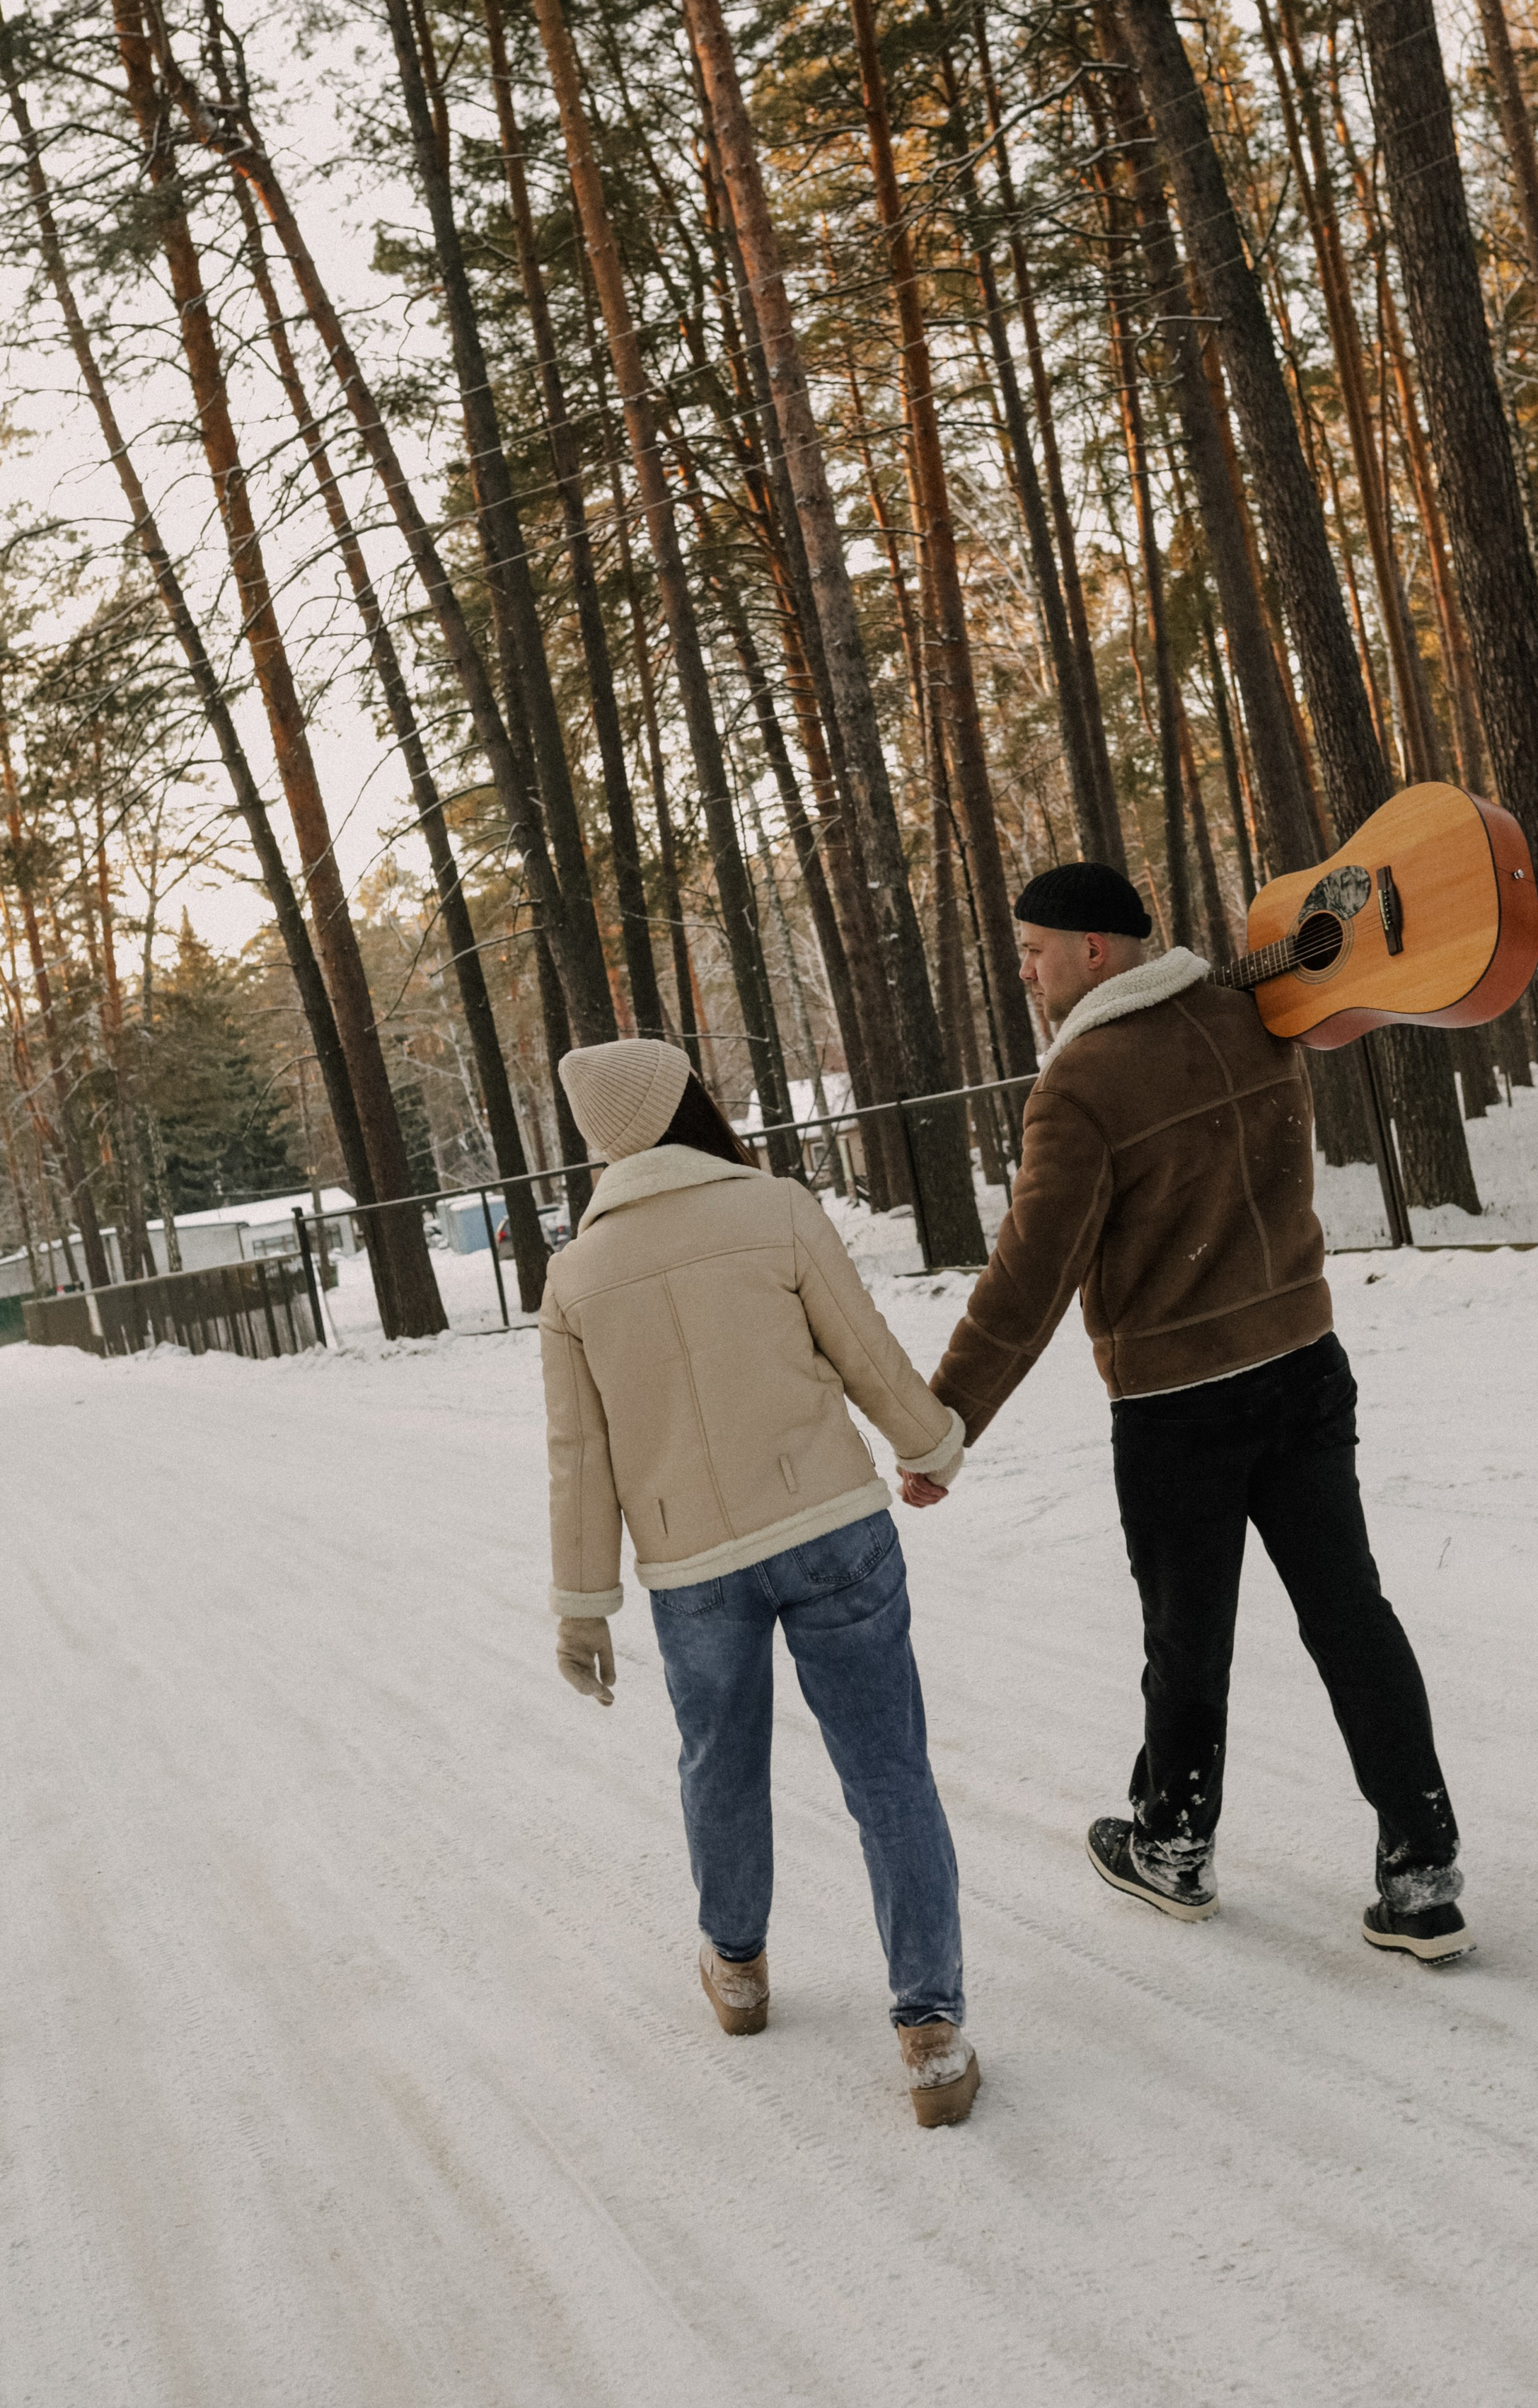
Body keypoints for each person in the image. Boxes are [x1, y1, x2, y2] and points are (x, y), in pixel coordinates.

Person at [910, 860, 1471, 1964]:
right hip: (1303, 1364)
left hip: (1180, 1404)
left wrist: (947, 1420)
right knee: (1351, 1615)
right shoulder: (1255, 1012)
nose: (1024, 972)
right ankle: (1423, 1867)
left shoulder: (1082, 1084)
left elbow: (1030, 1277)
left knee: (1188, 1637)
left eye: (1034, 950)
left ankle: (1172, 1845)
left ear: (1094, 950)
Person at [542, 1035, 982, 2125]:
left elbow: (580, 1455)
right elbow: (864, 1351)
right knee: (889, 1773)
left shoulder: (576, 1277)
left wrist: (583, 1604)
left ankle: (737, 1971)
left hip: (693, 1564)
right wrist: (929, 1443)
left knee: (720, 1766)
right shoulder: (774, 1209)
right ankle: (930, 2033)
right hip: (830, 1527)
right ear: (685, 1105)